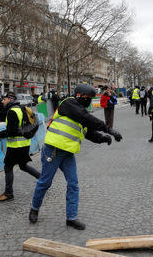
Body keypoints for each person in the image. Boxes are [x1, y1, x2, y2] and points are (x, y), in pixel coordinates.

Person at [29, 84, 122, 229]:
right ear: (78, 95)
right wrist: (108, 129)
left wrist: (104, 138)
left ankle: (71, 218)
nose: (89, 101)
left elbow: (89, 133)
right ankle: (34, 208)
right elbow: (85, 117)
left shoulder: (80, 111)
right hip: (53, 150)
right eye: (87, 98)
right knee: (45, 182)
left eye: (91, 99)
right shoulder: (69, 103)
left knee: (73, 185)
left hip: (67, 153)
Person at [0, 92, 40, 202]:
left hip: (16, 145)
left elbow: (12, 131)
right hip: (25, 143)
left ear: (10, 99)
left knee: (8, 167)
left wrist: (1, 134)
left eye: (4, 99)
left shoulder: (12, 111)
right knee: (23, 166)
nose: (2, 101)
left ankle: (8, 193)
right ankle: (43, 179)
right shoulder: (21, 108)